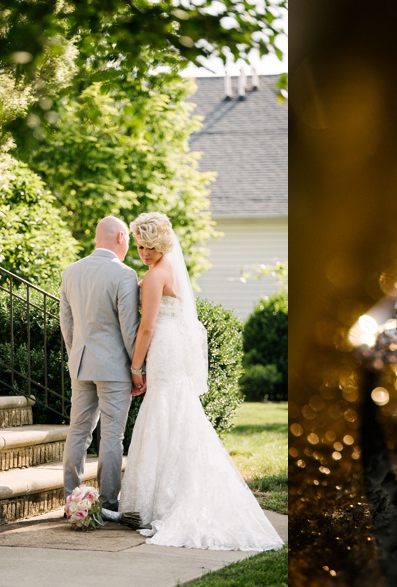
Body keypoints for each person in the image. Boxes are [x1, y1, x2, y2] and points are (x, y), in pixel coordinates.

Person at [118, 211, 284, 551]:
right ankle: (174, 491)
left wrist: (136, 367)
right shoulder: (171, 272)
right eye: (140, 247)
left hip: (163, 346)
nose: (144, 253)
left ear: (162, 243)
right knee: (177, 411)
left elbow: (147, 327)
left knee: (164, 409)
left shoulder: (152, 277)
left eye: (150, 246)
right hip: (175, 346)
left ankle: (162, 502)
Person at [60, 216, 141, 512]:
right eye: (129, 239)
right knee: (111, 435)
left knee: (78, 431)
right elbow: (129, 330)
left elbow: (66, 324)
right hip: (114, 369)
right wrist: (137, 369)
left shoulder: (71, 271)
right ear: (120, 236)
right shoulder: (124, 275)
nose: (129, 244)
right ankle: (107, 502)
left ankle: (72, 499)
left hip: (80, 364)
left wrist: (75, 354)